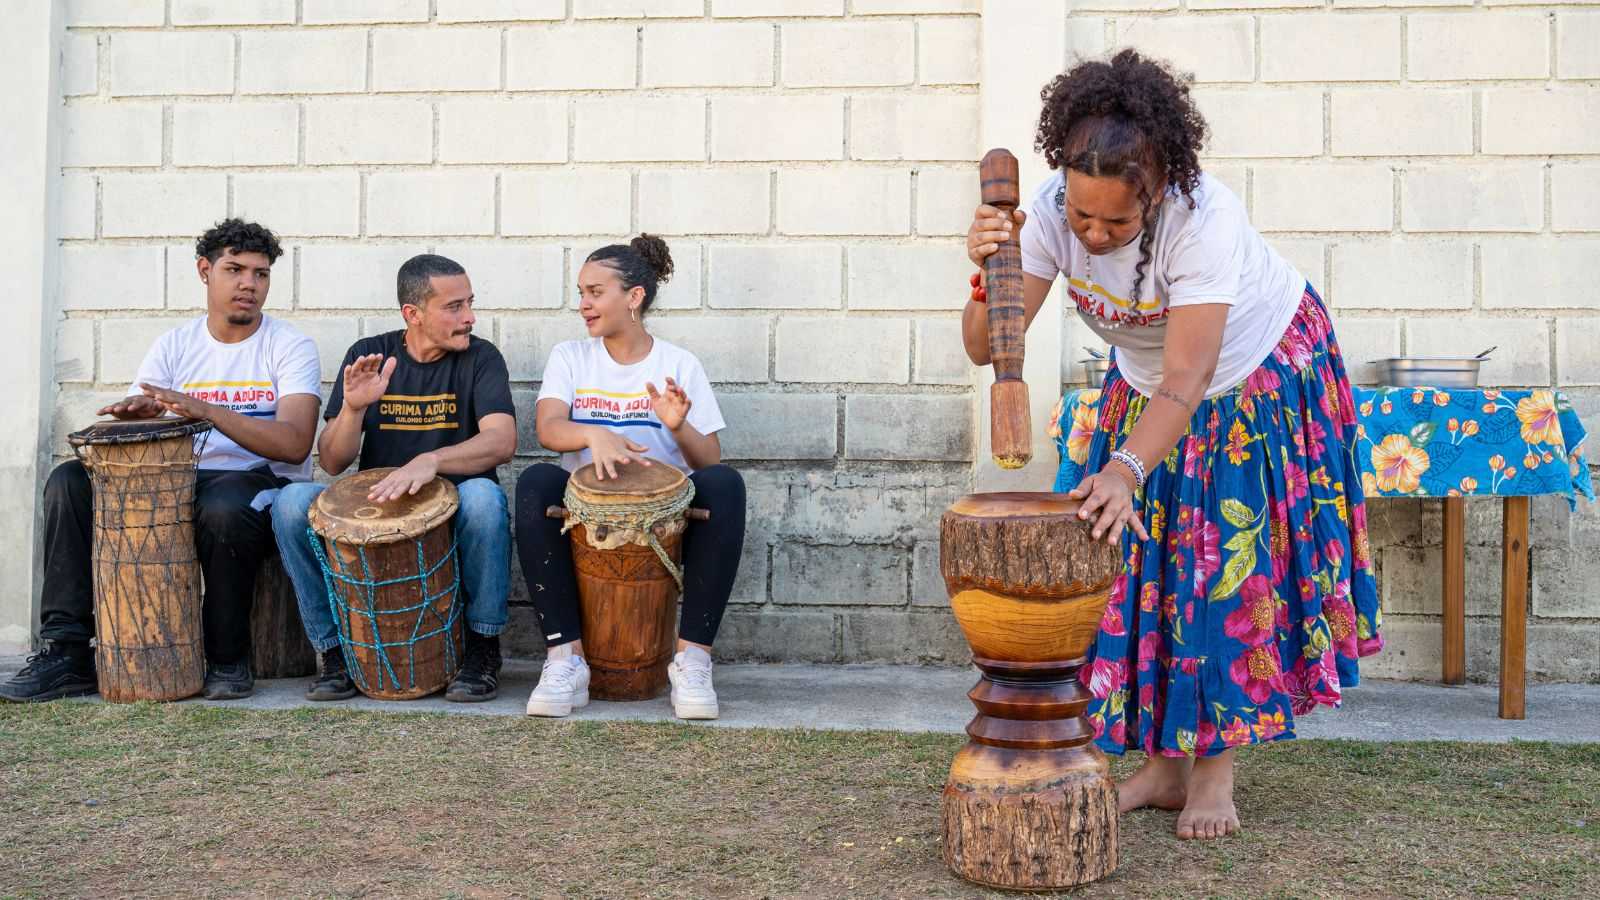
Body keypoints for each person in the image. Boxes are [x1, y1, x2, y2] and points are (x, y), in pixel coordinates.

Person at [964, 49, 1382, 840]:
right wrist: (992, 268)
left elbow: (1189, 378)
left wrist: (1126, 466)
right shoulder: (1050, 211)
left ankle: (1214, 770)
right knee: (1133, 560)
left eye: (1116, 222)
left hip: (1249, 373)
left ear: (1156, 189)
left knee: (1222, 561)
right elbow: (987, 348)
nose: (1093, 231)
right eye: (1082, 216)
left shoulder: (1204, 220)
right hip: (1147, 374)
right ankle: (1160, 764)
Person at [1, 219, 320, 703]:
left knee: (224, 509)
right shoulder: (175, 344)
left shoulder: (288, 345)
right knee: (68, 480)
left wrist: (205, 409)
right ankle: (67, 652)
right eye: (235, 270)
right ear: (204, 271)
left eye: (260, 274)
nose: (249, 285)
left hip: (254, 480)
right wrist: (139, 416)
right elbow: (137, 432)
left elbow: (295, 444)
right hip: (175, 475)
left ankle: (229, 658)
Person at [516, 235, 746, 721]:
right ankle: (566, 660)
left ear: (634, 296)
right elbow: (548, 427)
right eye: (581, 292)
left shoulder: (678, 364)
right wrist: (593, 434)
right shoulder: (572, 356)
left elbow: (709, 458)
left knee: (725, 485)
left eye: (596, 292)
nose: (583, 304)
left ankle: (693, 661)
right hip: (585, 511)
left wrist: (678, 424)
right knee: (535, 481)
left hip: (663, 512)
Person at [271, 254, 516, 703]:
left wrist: (433, 461)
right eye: (455, 307)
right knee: (291, 504)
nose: (470, 317)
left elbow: (502, 442)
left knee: (484, 497)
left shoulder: (481, 357)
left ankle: (483, 649)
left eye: (470, 304)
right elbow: (331, 460)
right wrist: (354, 408)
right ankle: (336, 655)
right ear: (413, 314)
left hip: (451, 507)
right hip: (377, 511)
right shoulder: (371, 354)